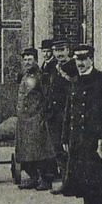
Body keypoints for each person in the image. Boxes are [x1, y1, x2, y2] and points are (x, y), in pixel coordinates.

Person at [62, 43, 102, 204]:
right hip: (78, 135)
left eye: (84, 59)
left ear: (91, 59)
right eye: (78, 59)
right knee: (82, 172)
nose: (80, 63)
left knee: (100, 173)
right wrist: (65, 136)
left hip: (96, 136)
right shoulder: (75, 82)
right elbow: (69, 111)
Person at [13, 46, 57, 190]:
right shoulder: (23, 76)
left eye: (30, 59)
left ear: (36, 60)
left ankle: (45, 179)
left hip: (36, 118)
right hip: (24, 119)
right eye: (25, 60)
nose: (27, 62)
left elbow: (46, 96)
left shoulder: (41, 76)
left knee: (40, 150)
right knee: (25, 150)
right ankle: (33, 177)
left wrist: (42, 114)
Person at [41, 41, 75, 191]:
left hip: (66, 114)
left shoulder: (73, 67)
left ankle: (70, 182)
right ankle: (65, 182)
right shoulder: (53, 67)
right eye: (56, 50)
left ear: (68, 50)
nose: (59, 53)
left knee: (69, 149)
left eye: (62, 50)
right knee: (58, 150)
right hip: (53, 114)